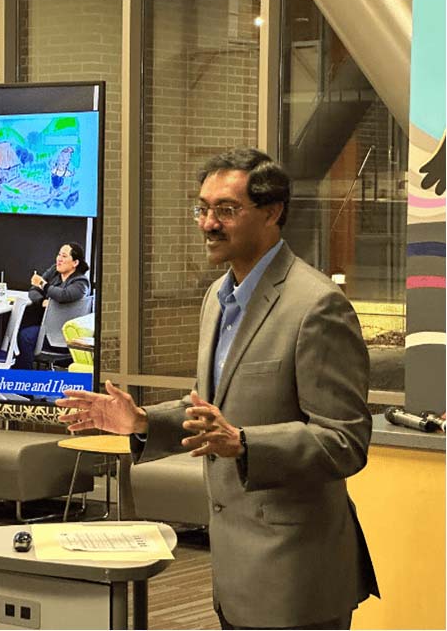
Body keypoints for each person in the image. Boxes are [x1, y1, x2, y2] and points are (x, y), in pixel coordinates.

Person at [58, 148, 378, 630]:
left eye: (225, 210)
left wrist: (246, 444)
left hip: (297, 576)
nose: (208, 223)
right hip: (233, 572)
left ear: (272, 213)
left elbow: (344, 440)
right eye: (202, 209)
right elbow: (211, 406)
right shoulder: (217, 297)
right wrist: (143, 421)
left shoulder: (317, 307)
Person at [14, 242, 90, 370]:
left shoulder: (81, 282)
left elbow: (63, 295)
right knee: (13, 327)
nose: (59, 259)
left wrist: (43, 285)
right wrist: (41, 301)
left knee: (25, 336)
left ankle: (25, 381)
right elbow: (33, 290)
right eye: (59, 254)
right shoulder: (54, 271)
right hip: (46, 326)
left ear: (75, 263)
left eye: (64, 256)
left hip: (59, 334)